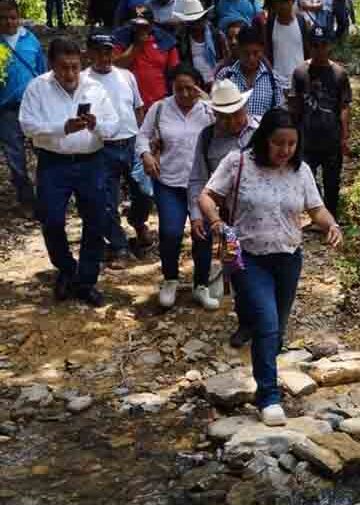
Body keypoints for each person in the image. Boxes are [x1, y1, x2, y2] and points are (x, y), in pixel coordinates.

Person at [198, 108, 342, 425]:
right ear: (264, 139)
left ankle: (265, 366)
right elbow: (206, 195)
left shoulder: (300, 170)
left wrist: (331, 225)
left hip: (289, 258)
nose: (285, 150)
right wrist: (216, 221)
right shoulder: (238, 163)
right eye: (279, 143)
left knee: (276, 328)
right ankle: (269, 397)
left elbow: (316, 209)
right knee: (267, 322)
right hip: (248, 257)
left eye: (291, 144)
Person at [19, 38, 118, 307]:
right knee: (51, 219)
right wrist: (62, 128)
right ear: (52, 65)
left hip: (91, 161)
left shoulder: (95, 88)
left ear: (81, 63)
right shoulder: (37, 88)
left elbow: (113, 126)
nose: (70, 74)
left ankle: (86, 281)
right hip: (54, 163)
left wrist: (95, 126)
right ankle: (65, 269)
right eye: (64, 68)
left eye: (75, 67)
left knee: (96, 219)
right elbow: (28, 126)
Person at [136, 63, 216, 308]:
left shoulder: (208, 111)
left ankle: (201, 285)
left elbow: (229, 124)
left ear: (198, 88)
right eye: (178, 89)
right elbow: (142, 136)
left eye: (190, 89)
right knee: (170, 233)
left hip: (202, 185)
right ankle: (170, 279)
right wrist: (146, 155)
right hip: (169, 182)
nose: (184, 94)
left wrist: (208, 98)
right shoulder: (160, 109)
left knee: (203, 235)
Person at [188, 78, 258, 346]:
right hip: (227, 218)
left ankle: (267, 320)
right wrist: (197, 214)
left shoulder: (261, 131)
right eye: (223, 116)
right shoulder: (207, 137)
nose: (231, 122)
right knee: (237, 268)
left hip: (261, 213)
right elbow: (197, 178)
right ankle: (245, 321)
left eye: (235, 114)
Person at [85, 32, 150, 265]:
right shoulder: (83, 80)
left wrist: (144, 137)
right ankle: (119, 246)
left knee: (144, 192)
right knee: (106, 201)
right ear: (89, 53)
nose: (104, 56)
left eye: (108, 51)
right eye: (99, 51)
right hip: (102, 147)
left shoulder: (126, 76)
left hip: (131, 142)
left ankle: (138, 222)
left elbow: (138, 108)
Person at [292, 23, 349, 219]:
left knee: (332, 182)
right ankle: (318, 216)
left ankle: (331, 218)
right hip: (307, 138)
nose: (319, 49)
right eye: (315, 45)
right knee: (308, 179)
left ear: (330, 45)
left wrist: (344, 137)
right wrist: (294, 134)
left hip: (331, 138)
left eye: (323, 44)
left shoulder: (339, 74)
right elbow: (296, 105)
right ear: (309, 46)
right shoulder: (300, 73)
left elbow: (343, 107)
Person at [0, 0, 45, 210]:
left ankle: (49, 193)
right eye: (4, 17)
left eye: (12, 17)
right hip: (6, 109)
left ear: (18, 17)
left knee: (42, 149)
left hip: (33, 106)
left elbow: (42, 71)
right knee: (14, 157)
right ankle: (27, 199)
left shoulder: (31, 39)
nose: (9, 22)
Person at [112, 9, 180, 108]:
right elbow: (116, 66)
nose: (139, 29)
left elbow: (175, 73)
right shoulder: (120, 38)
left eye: (144, 26)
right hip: (128, 101)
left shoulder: (166, 40)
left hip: (159, 101)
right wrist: (137, 45)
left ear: (152, 25)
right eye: (136, 25)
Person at [215, 25, 283, 118]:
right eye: (246, 53)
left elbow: (278, 113)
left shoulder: (273, 79)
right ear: (238, 50)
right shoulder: (225, 76)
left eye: (256, 53)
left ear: (262, 50)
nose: (251, 58)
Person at [174, 0, 227, 90]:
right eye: (191, 23)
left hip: (218, 81)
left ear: (204, 20)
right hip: (195, 84)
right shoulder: (182, 38)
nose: (194, 26)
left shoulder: (216, 35)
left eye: (197, 22)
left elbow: (225, 58)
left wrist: (215, 75)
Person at [264, 0, 305, 88]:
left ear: (292, 2)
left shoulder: (301, 21)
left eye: (286, 1)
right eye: (279, 2)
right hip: (278, 83)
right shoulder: (270, 23)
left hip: (300, 81)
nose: (283, 5)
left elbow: (307, 50)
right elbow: (267, 52)